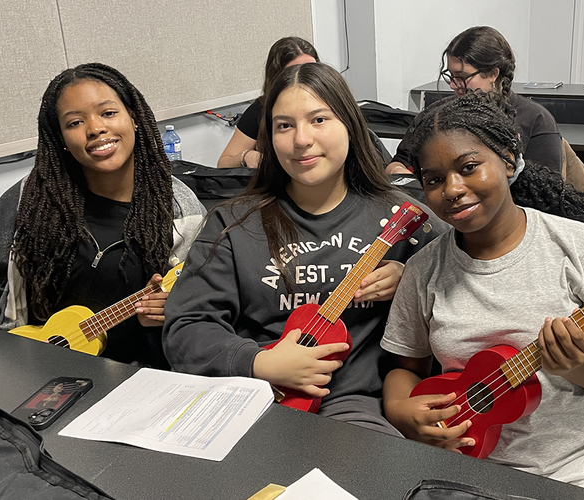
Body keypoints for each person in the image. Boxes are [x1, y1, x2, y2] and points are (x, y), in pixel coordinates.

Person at [380, 91, 584, 500]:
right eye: (433, 180)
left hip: (583, 469)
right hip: (465, 467)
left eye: (469, 167)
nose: (452, 189)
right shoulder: (424, 269)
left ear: (508, 160)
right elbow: (406, 368)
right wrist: (401, 411)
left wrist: (580, 365)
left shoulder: (575, 246)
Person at [163, 62, 444, 435]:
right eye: (284, 125)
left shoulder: (404, 219)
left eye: (319, 120)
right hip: (247, 399)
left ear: (349, 125)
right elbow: (186, 328)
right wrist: (260, 363)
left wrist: (414, 280)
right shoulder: (233, 222)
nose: (301, 139)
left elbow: (471, 283)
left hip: (353, 409)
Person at [0, 63, 207, 368]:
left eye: (108, 113)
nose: (95, 128)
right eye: (74, 122)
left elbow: (206, 309)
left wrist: (175, 313)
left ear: (134, 117)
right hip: (30, 370)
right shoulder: (30, 199)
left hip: (143, 377)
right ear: (60, 137)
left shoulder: (178, 210)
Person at [386, 26, 563, 177]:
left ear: (493, 74)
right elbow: (399, 162)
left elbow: (547, 188)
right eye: (451, 76)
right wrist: (401, 175)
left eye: (462, 77)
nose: (454, 85)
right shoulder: (435, 115)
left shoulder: (535, 119)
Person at [216, 36, 319, 169]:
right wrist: (246, 156)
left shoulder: (330, 102)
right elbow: (223, 163)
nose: (305, 77)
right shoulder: (260, 109)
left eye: (312, 69)